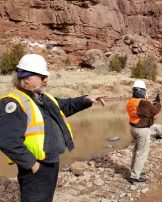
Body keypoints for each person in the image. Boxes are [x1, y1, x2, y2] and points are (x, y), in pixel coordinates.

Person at [0, 54, 106, 202]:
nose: (46, 80)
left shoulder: (44, 98)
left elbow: (66, 106)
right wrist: (32, 164)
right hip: (35, 167)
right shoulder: (13, 103)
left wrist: (86, 99)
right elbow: (7, 141)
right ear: (26, 78)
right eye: (42, 76)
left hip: (51, 162)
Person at [126, 80, 161, 184]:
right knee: (142, 153)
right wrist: (158, 103)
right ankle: (135, 176)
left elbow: (142, 113)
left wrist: (151, 107)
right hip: (142, 130)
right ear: (142, 91)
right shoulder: (144, 103)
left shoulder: (131, 101)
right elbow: (155, 110)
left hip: (133, 128)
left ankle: (135, 171)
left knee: (137, 151)